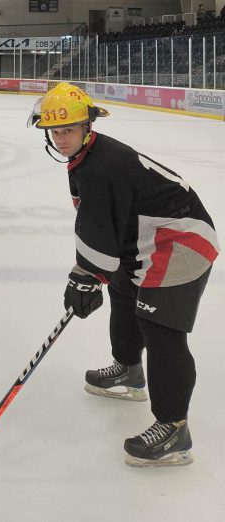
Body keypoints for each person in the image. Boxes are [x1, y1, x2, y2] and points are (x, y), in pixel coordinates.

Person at [27, 82, 219, 467]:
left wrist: (85, 275)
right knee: (122, 292)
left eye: (68, 129)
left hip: (180, 241)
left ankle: (174, 429)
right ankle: (129, 371)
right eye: (55, 130)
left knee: (161, 326)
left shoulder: (102, 166)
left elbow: (99, 227)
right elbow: (101, 223)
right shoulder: (86, 158)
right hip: (146, 239)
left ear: (87, 126)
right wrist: (92, 275)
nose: (61, 138)